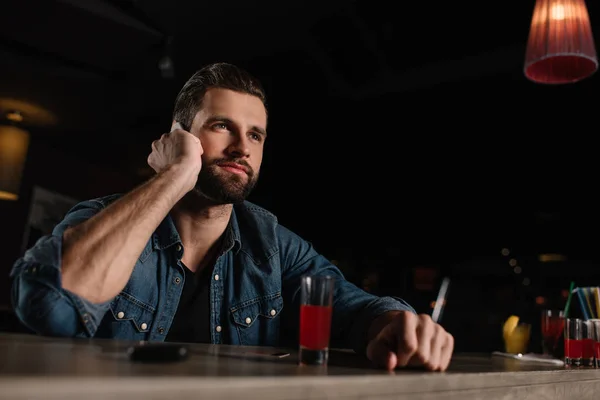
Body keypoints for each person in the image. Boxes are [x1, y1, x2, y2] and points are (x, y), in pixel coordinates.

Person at [10, 62, 453, 371]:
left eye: (255, 134)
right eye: (222, 126)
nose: (242, 147)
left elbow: (353, 308)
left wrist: (393, 324)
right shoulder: (107, 217)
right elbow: (48, 306)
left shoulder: (273, 244)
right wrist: (176, 175)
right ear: (179, 135)